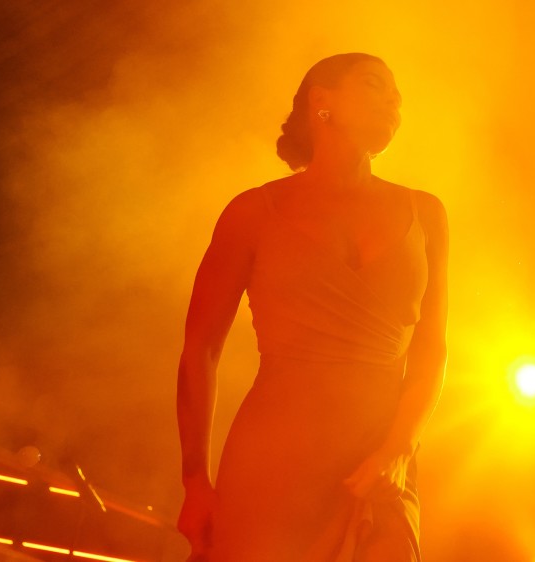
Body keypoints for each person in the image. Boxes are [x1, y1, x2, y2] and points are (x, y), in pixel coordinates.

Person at [176, 52, 448, 561]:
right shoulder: (253, 212)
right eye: (375, 84)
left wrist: (399, 448)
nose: (394, 99)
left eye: (398, 94)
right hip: (272, 461)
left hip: (380, 466)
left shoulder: (426, 213)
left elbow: (432, 350)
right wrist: (195, 482)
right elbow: (200, 350)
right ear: (322, 102)